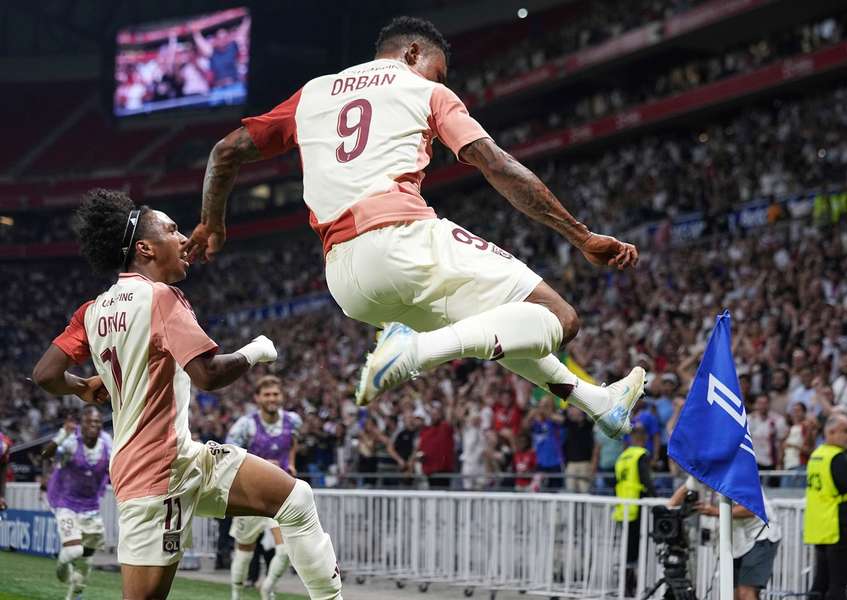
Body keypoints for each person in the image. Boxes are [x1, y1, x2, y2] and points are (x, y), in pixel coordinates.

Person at [184, 16, 645, 440]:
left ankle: (597, 402)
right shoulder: (425, 91)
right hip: (400, 236)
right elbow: (497, 165)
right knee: (559, 319)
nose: (441, 81)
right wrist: (581, 235)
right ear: (410, 54)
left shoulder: (312, 93)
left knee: (501, 327)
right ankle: (413, 353)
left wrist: (212, 223)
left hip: (345, 278)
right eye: (438, 71)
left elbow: (225, 151)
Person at [31, 189, 342, 600]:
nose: (182, 240)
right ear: (144, 247)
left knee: (295, 498)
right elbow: (208, 375)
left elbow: (46, 374)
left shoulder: (92, 311)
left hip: (184, 457)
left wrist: (84, 388)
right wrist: (253, 352)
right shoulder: (160, 297)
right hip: (154, 475)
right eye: (173, 230)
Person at [225, 375, 302, 600]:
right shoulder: (245, 425)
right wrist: (263, 465)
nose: (272, 398)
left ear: (282, 396)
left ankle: (267, 588)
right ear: (257, 398)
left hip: (281, 496)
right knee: (244, 552)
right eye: (267, 395)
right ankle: (236, 594)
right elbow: (229, 455)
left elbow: (292, 443)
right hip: (250, 496)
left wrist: (292, 464)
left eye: (276, 394)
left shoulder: (293, 421)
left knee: (285, 550)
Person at [41, 406, 112, 600]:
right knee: (74, 550)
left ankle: (72, 598)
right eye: (89, 421)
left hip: (91, 508)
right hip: (67, 505)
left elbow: (115, 466)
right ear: (82, 424)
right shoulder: (71, 443)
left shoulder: (107, 442)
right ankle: (62, 566)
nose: (94, 425)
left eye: (97, 422)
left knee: (86, 563)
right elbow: (45, 454)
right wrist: (62, 434)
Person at [669, 482, 781, 600]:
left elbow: (752, 508)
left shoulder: (736, 474)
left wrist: (715, 511)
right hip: (737, 541)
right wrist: (673, 510)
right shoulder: (701, 472)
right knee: (736, 595)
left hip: (760, 534)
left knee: (745, 593)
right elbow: (673, 502)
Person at [804, 413, 847, 600]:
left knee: (820, 582)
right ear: (831, 432)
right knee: (838, 584)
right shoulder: (839, 458)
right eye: (846, 431)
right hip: (838, 526)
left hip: (820, 527)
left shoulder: (816, 456)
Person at [613, 424, 656, 597]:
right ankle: (632, 586)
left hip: (622, 508)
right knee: (637, 550)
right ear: (643, 439)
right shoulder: (640, 455)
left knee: (626, 550)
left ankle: (626, 585)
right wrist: (656, 499)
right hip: (637, 508)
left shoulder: (622, 457)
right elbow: (646, 480)